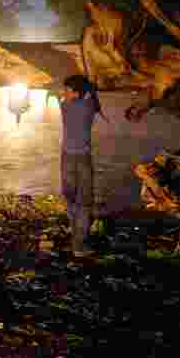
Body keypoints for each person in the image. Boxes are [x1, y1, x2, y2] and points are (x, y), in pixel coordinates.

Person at [59, 74, 104, 256]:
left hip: (67, 158)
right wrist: (91, 88)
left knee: (71, 199)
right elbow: (92, 99)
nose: (64, 93)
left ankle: (75, 238)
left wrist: (88, 88)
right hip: (82, 159)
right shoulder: (88, 107)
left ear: (75, 94)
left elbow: (84, 95)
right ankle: (79, 245)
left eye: (67, 90)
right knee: (84, 202)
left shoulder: (65, 106)